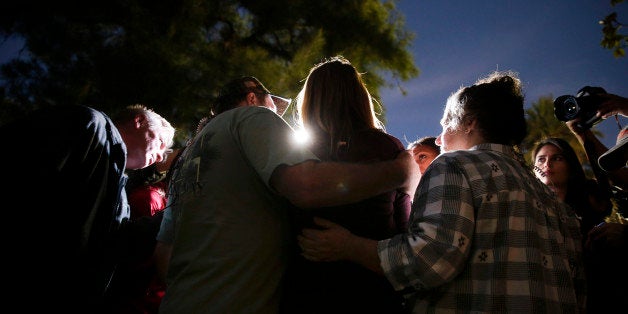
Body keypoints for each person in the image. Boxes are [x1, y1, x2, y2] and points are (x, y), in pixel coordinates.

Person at [298, 71, 586, 313]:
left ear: (470, 122)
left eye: (447, 123)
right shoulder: (555, 203)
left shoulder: (455, 165)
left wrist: (347, 246)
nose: (438, 138)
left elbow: (430, 260)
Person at [156, 76, 420, 314]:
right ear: (252, 98)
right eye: (274, 106)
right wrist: (399, 172)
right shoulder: (253, 117)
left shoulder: (190, 155)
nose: (278, 119)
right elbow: (306, 186)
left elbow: (164, 256)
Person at [0, 104, 175, 313]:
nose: (158, 158)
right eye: (161, 143)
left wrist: (175, 213)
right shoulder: (88, 124)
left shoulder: (120, 189)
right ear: (139, 121)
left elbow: (113, 241)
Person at [282, 56, 411, 314]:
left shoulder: (293, 154)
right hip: (373, 291)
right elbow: (405, 228)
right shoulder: (388, 149)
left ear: (310, 101)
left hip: (306, 290)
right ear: (360, 98)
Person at [531, 137, 611, 237]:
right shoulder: (528, 205)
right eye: (541, 159)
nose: (547, 164)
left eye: (557, 158)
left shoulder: (589, 203)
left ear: (570, 166)